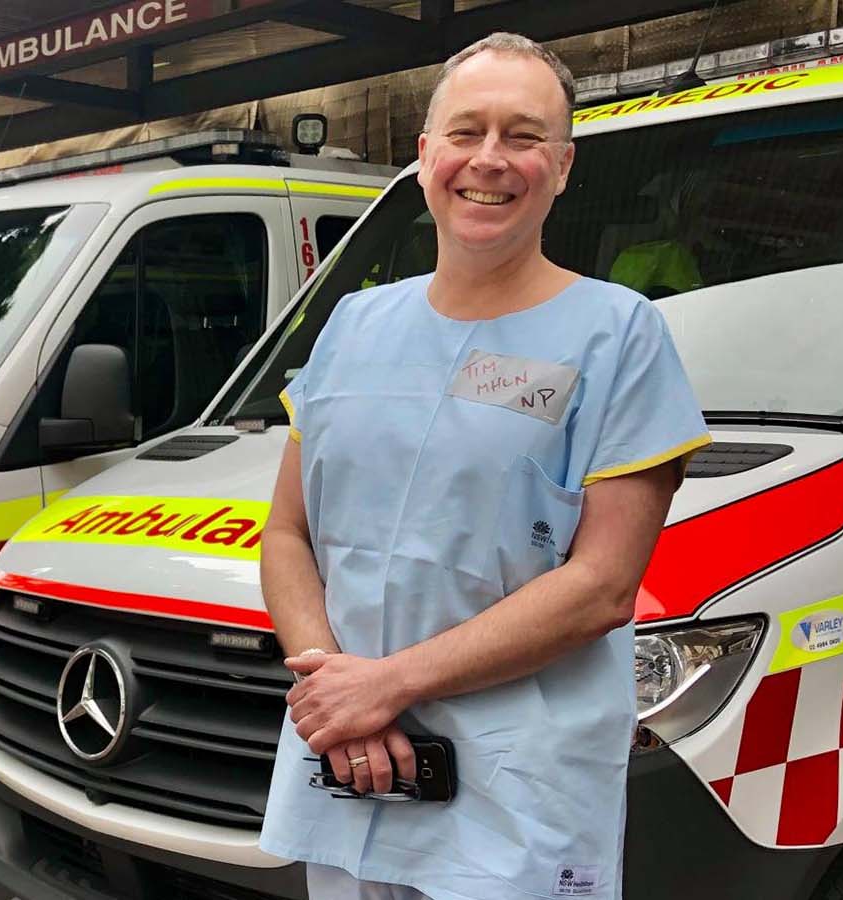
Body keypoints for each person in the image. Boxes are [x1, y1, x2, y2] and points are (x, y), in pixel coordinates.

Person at [257, 32, 710, 900]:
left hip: (511, 796)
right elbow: (287, 532)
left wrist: (383, 686)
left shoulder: (618, 336)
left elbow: (603, 586)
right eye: (466, 132)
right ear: (426, 155)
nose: (490, 161)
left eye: (524, 136)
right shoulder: (353, 324)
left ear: (565, 165)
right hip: (354, 768)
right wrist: (332, 693)